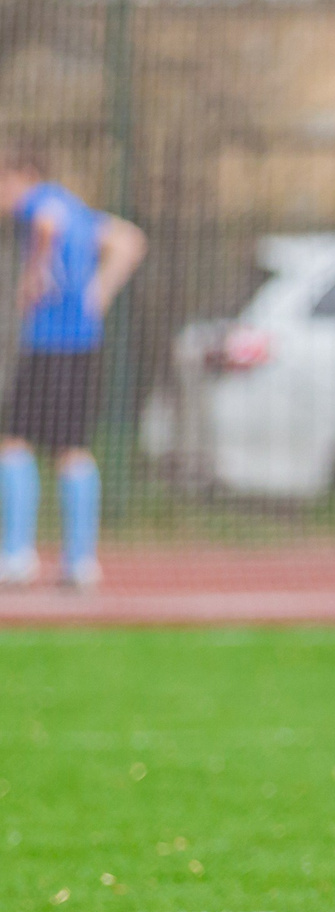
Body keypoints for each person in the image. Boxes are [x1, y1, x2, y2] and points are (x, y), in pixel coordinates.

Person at [0, 155, 146, 590]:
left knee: (13, 442)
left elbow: (48, 224)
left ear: (24, 176)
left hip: (51, 344)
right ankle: (78, 561)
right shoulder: (78, 208)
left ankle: (17, 554)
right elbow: (130, 240)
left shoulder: (40, 203)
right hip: (82, 344)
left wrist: (34, 274)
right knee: (71, 447)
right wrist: (98, 293)